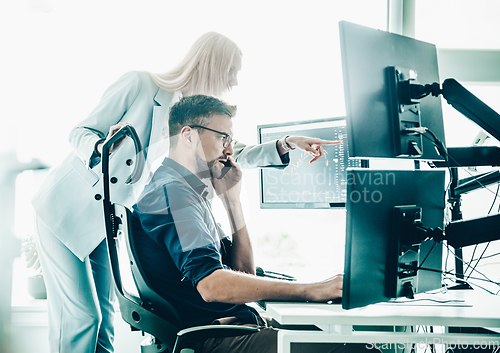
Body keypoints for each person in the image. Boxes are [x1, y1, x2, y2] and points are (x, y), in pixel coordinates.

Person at [31, 32, 339, 353]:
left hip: (105, 223)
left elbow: (231, 150)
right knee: (82, 319)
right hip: (66, 211)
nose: (233, 81)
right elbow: (80, 131)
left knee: (105, 321)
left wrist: (286, 144)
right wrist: (101, 148)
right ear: (213, 64)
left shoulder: (190, 119)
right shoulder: (141, 85)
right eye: (232, 71)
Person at [131, 95, 374, 353]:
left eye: (230, 140)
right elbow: (212, 286)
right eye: (222, 138)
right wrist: (311, 290)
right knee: (354, 349)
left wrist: (232, 201)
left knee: (345, 340)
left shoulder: (184, 189)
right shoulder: (174, 193)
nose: (229, 150)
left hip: (231, 326)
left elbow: (244, 274)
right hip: (213, 338)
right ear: (188, 136)